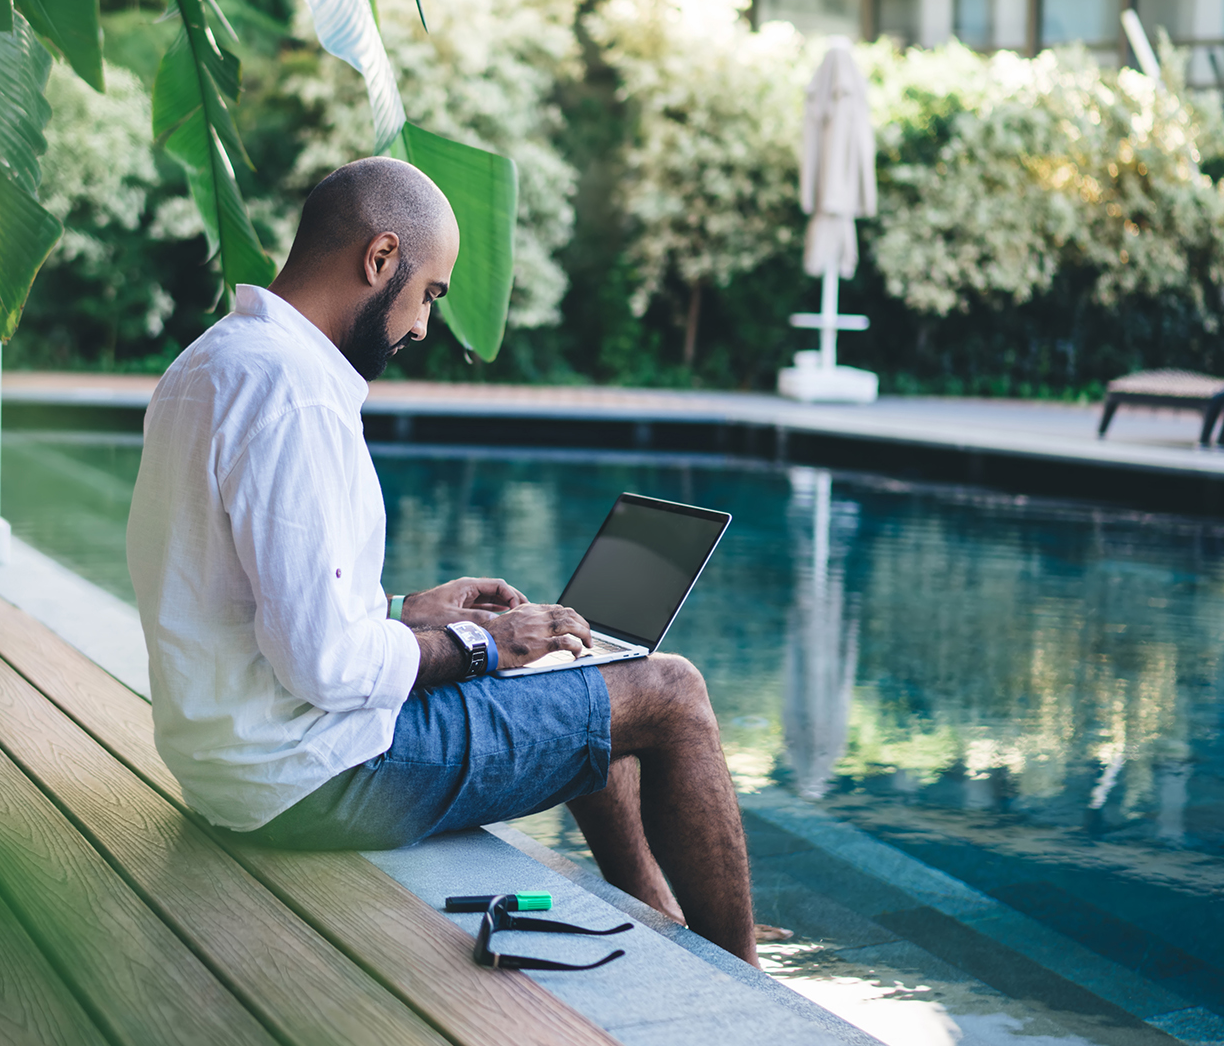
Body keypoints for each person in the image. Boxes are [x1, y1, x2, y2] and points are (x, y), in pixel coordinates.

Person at [126, 157, 761, 966]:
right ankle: (751, 981)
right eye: (427, 292)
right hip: (316, 777)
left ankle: (657, 909)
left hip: (236, 765)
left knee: (580, 678)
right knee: (671, 692)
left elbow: (253, 599)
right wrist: (487, 645)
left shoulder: (212, 364)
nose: (423, 326)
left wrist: (411, 613)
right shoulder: (297, 397)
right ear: (380, 258)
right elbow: (324, 665)